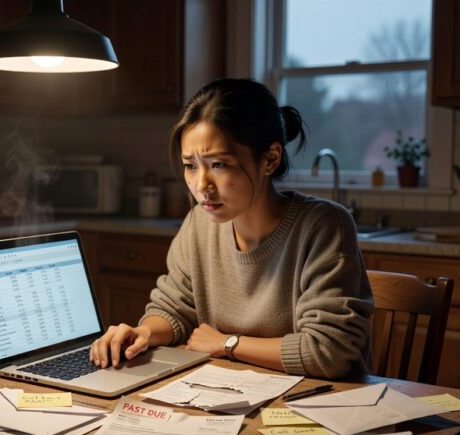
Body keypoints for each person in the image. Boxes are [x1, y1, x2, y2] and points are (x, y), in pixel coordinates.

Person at [89, 78, 374, 379]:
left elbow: (327, 352)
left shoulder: (325, 226)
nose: (201, 186)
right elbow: (175, 308)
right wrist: (143, 332)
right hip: (228, 395)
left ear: (270, 159)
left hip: (319, 405)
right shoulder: (199, 223)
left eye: (219, 165)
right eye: (191, 165)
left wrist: (227, 344)